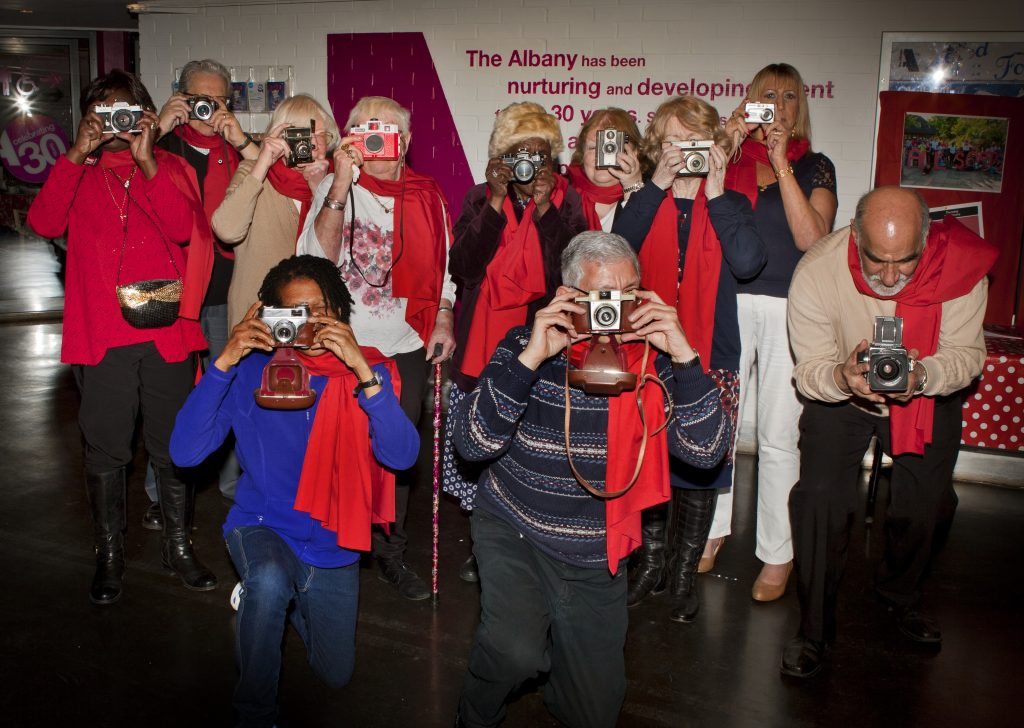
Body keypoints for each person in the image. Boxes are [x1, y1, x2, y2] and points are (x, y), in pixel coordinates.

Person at [453, 231, 729, 728]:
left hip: (598, 550)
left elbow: (706, 454)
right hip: (515, 530)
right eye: (599, 298)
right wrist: (532, 359)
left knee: (595, 712)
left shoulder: (654, 360)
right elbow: (471, 444)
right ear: (566, 296)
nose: (611, 314)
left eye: (625, 298)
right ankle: (473, 715)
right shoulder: (525, 344)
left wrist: (684, 356)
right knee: (513, 652)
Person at [169, 255, 419, 725]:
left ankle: (274, 604)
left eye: (319, 310)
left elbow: (402, 457)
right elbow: (184, 453)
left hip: (333, 541)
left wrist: (363, 371)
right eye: (294, 312)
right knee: (266, 577)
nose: (306, 324)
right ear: (270, 316)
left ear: (340, 313)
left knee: (334, 674)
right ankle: (254, 711)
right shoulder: (249, 369)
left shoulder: (366, 372)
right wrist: (224, 359)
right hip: (262, 525)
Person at [782, 186, 996, 678]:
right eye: (877, 261)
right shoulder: (818, 270)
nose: (890, 277)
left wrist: (922, 377)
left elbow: (966, 356)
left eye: (906, 262)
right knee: (817, 497)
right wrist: (842, 377)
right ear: (854, 236)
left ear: (928, 239)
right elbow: (809, 368)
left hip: (925, 388)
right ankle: (813, 628)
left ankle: (900, 593)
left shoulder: (959, 268)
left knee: (930, 503)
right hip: (844, 391)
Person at [27, 69, 216, 604]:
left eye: (126, 111)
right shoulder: (79, 171)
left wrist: (149, 159)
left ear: (147, 117)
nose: (116, 123)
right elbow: (43, 223)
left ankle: (177, 546)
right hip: (103, 334)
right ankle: (109, 552)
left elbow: (183, 229)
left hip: (166, 335)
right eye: (103, 113)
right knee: (106, 448)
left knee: (173, 445)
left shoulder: (172, 166)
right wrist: (73, 153)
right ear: (89, 119)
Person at [611, 96, 767, 620]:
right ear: (659, 144)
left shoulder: (732, 203)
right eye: (674, 140)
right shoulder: (643, 197)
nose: (684, 151)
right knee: (649, 454)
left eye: (695, 140)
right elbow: (616, 250)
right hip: (644, 349)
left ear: (715, 147)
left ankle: (683, 575)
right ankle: (651, 564)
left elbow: (748, 263)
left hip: (709, 350)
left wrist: (717, 191)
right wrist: (656, 183)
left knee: (702, 462)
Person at [297, 95, 455, 601]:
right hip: (339, 346)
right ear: (349, 136)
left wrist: (445, 316)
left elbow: (446, 268)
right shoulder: (333, 186)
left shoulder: (429, 193)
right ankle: (329, 544)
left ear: (406, 141)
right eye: (369, 130)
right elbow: (312, 259)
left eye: (391, 131)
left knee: (396, 455)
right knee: (335, 449)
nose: (382, 140)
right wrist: (341, 183)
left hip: (403, 343)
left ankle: (390, 551)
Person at [703, 63, 838, 602]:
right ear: (750, 101)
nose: (777, 104)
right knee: (721, 427)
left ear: (799, 103)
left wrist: (782, 163)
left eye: (787, 95)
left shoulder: (813, 165)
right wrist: (726, 138)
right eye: (766, 95)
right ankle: (710, 533)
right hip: (725, 303)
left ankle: (777, 555)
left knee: (781, 437)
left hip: (788, 308)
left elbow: (813, 239)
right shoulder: (729, 156)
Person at [443, 101, 587, 583]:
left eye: (540, 155)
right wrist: (498, 203)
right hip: (484, 336)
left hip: (543, 338)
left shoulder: (568, 201)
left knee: (531, 440)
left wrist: (545, 208)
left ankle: (532, 535)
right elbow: (462, 266)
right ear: (502, 158)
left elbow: (569, 273)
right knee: (481, 436)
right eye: (519, 154)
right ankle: (481, 538)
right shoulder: (481, 197)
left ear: (553, 159)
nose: (530, 165)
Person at [133, 59, 261, 522]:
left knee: (231, 388)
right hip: (171, 291)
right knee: (172, 394)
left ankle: (234, 482)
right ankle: (160, 494)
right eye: (199, 98)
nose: (209, 108)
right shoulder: (158, 145)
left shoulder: (239, 148)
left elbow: (276, 181)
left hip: (229, 291)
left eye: (220, 99)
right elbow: (125, 183)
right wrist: (162, 125)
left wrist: (240, 138)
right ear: (181, 97)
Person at [212, 93, 338, 327]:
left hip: (316, 317)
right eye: (301, 135)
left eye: (321, 136)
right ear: (281, 137)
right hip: (258, 316)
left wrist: (320, 190)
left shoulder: (336, 183)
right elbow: (227, 231)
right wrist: (262, 162)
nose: (312, 144)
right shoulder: (254, 171)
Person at [565, 107, 645, 231]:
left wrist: (633, 190)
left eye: (611, 147)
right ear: (582, 154)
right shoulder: (562, 196)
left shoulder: (653, 199)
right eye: (592, 148)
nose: (601, 155)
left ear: (635, 153)